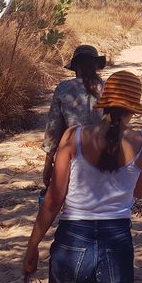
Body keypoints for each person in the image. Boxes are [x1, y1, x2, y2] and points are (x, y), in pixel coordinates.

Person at [23, 71, 142, 283]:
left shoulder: (74, 137)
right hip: (116, 245)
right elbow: (139, 192)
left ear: (102, 104)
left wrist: (32, 246)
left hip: (71, 243)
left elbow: (53, 200)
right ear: (133, 108)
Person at [42, 45, 107, 191]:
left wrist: (48, 162)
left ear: (75, 67)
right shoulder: (106, 87)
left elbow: (53, 127)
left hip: (72, 152)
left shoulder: (64, 89)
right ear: (96, 66)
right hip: (104, 153)